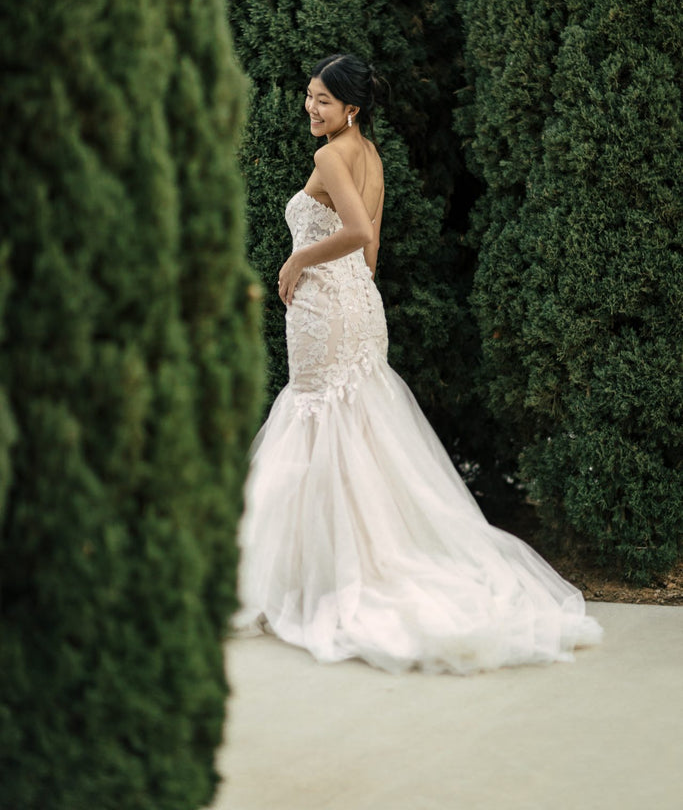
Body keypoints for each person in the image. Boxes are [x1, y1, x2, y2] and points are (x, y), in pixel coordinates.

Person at [234, 53, 603, 674]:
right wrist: (349, 290)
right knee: (355, 429)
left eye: (323, 99)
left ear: (351, 107)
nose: (310, 107)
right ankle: (344, 566)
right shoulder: (370, 155)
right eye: (309, 95)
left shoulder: (331, 157)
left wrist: (298, 262)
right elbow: (370, 253)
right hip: (357, 302)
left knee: (320, 420)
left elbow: (358, 233)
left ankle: (323, 578)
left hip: (327, 307)